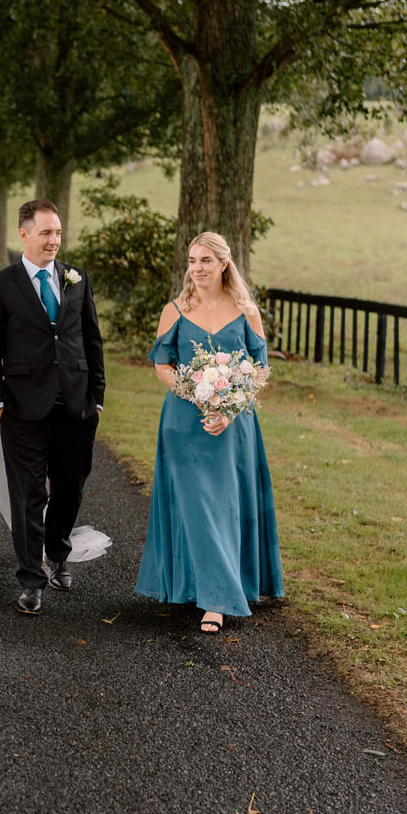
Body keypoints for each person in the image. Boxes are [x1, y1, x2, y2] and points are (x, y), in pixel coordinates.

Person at [134, 231, 284, 633]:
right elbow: (163, 364)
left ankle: (221, 593)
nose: (196, 268)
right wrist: (195, 395)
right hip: (184, 423)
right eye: (191, 260)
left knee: (225, 506)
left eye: (204, 261)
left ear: (223, 264)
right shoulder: (177, 309)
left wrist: (231, 407)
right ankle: (204, 593)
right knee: (195, 504)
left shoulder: (245, 310)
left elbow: (259, 368)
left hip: (235, 427)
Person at [0, 199, 107, 615]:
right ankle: (31, 577)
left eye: (58, 232)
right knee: (29, 494)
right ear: (24, 234)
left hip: (75, 407)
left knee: (70, 489)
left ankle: (59, 553)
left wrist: (97, 397)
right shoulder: (1, 284)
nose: (54, 240)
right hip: (22, 409)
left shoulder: (77, 278)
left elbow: (91, 339)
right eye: (46, 232)